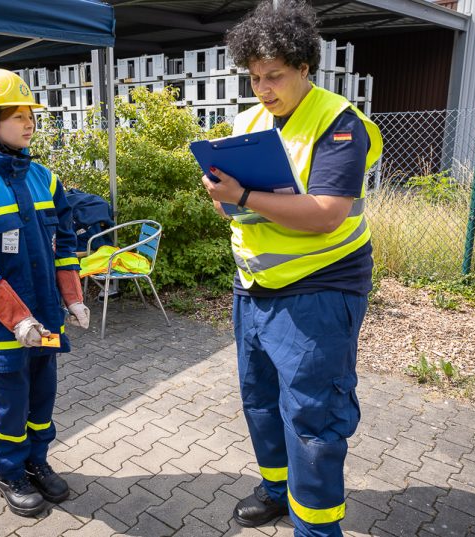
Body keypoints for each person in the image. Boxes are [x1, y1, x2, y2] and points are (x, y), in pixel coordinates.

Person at [199, 1, 382, 536]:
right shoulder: (249, 121)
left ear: (305, 67)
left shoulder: (339, 123)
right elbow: (228, 205)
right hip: (254, 285)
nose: (263, 88)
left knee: (313, 418)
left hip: (319, 289)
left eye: (274, 75)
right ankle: (277, 491)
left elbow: (327, 215)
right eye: (254, 77)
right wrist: (223, 195)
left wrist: (246, 194)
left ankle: (318, 528)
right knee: (260, 401)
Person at [0, 69, 91, 517]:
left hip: (46, 315)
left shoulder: (45, 179)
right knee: (11, 400)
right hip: (1, 325)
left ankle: (36, 462)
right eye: (18, 115)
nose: (29, 123)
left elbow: (63, 245)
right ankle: (8, 471)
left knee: (42, 395)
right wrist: (17, 318)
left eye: (31, 115)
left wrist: (74, 297)